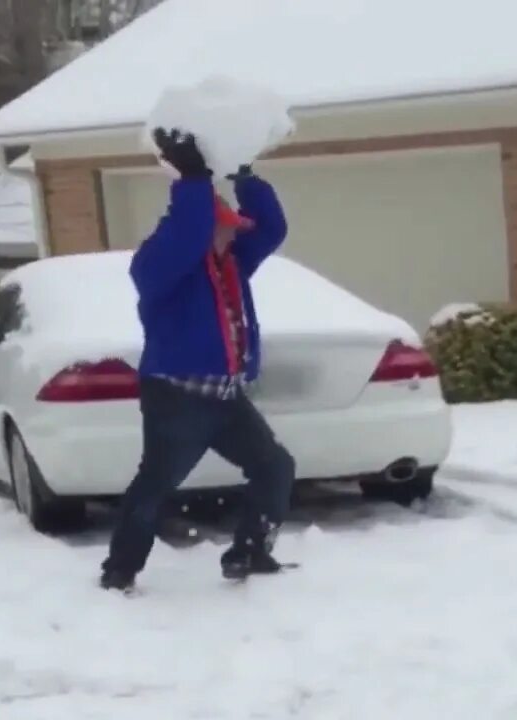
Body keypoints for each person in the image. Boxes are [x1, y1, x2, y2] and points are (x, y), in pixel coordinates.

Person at [99, 128, 295, 591]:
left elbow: (271, 228)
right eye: (225, 225)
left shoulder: (230, 264)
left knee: (274, 467)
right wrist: (192, 178)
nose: (234, 232)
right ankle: (120, 571)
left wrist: (242, 174)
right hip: (177, 398)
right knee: (154, 487)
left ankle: (249, 552)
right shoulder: (159, 269)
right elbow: (186, 232)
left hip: (225, 396)